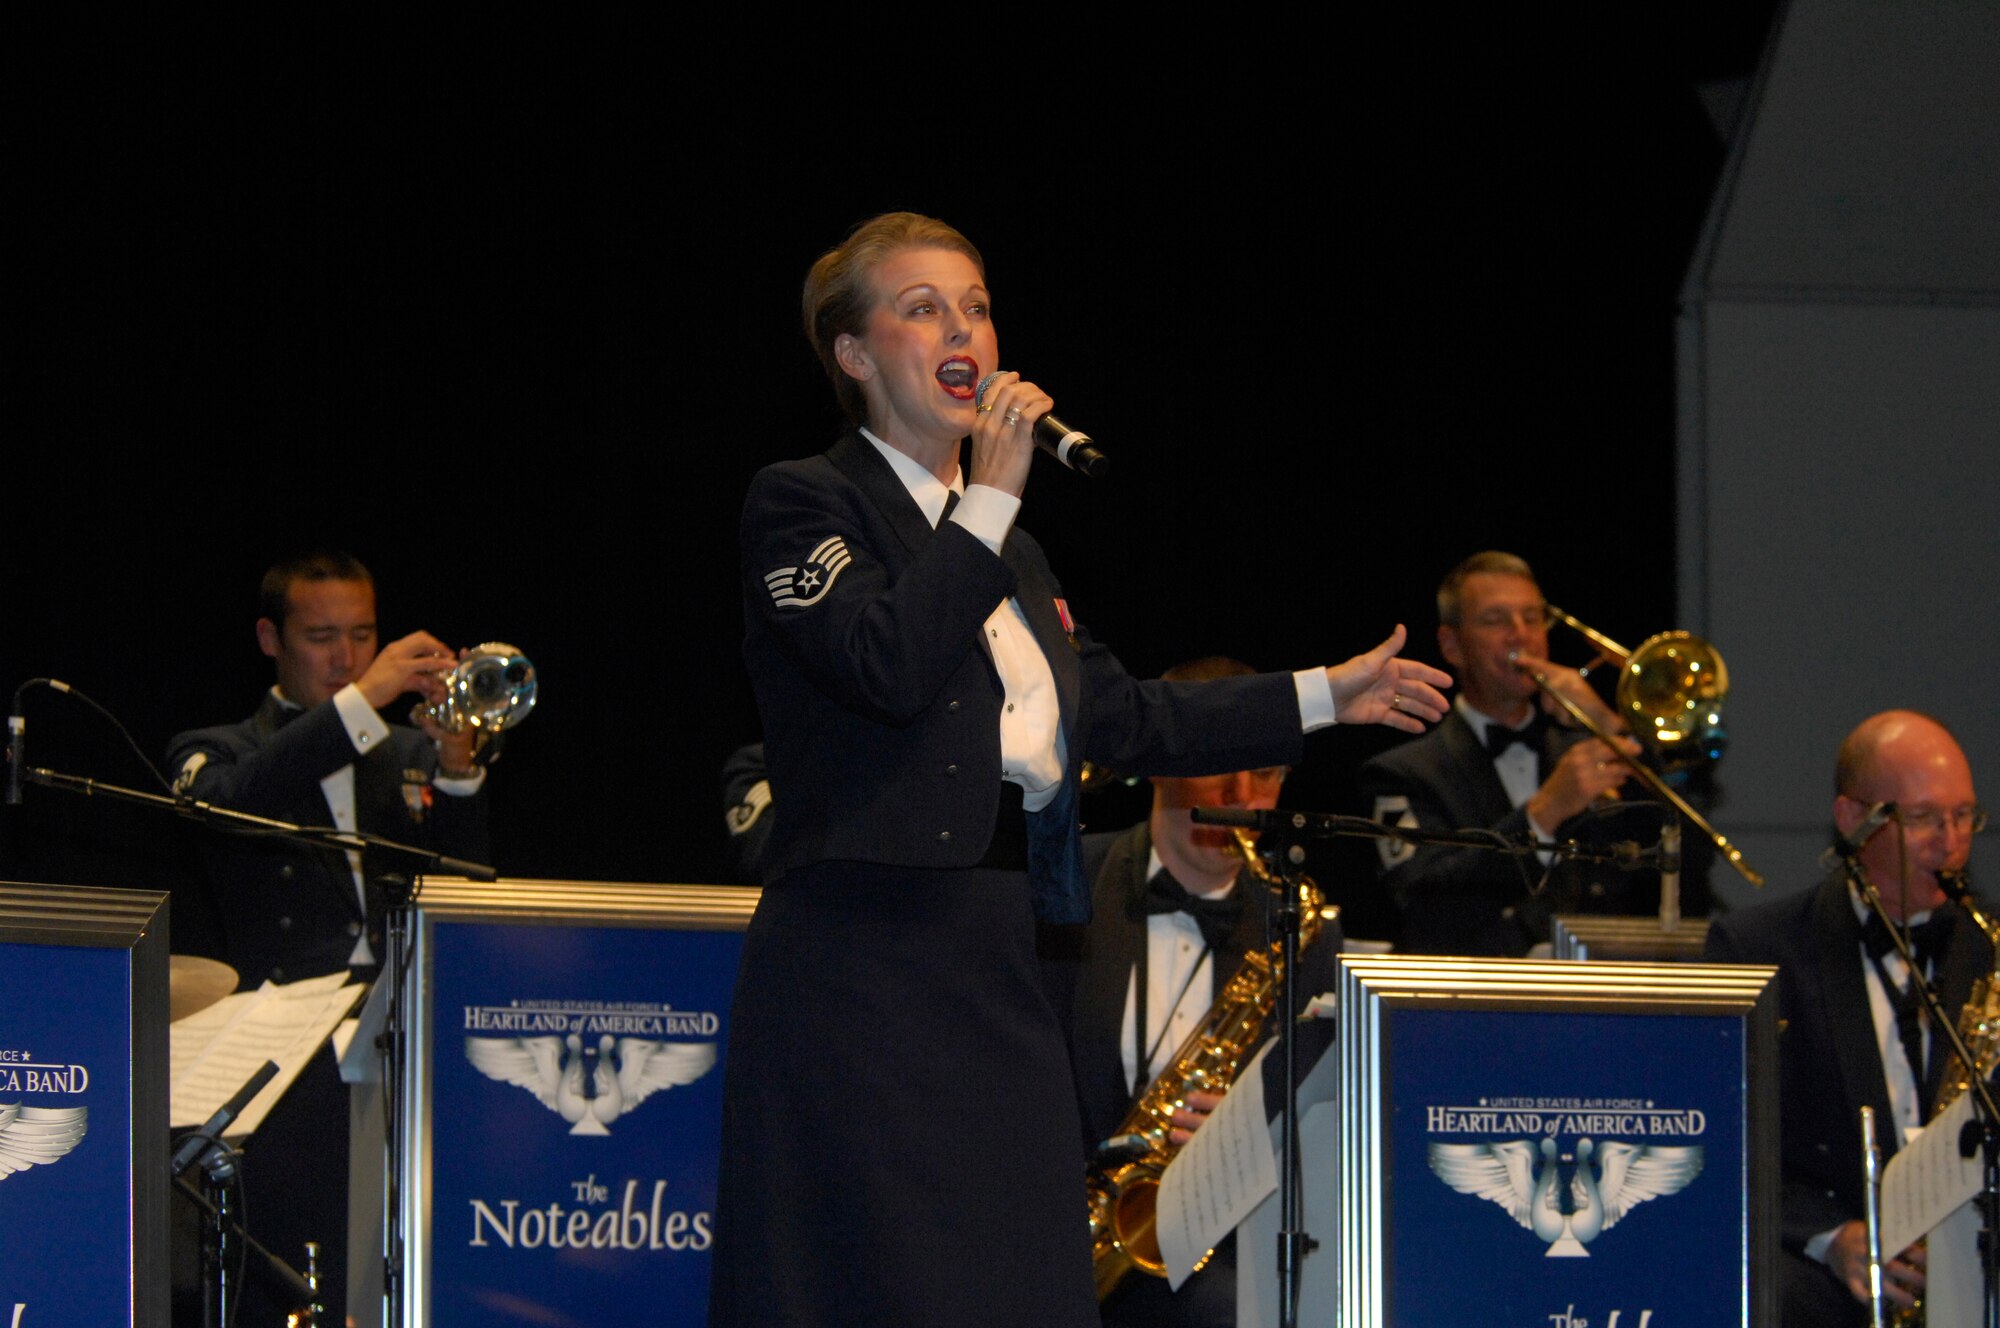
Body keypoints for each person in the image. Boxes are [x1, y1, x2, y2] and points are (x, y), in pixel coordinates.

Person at [710, 211, 1451, 1327]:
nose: (961, 329)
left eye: (975, 306)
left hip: (1005, 952)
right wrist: (993, 497)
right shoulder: (805, 499)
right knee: (880, 1285)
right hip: (865, 956)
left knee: (1026, 1280)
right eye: (922, 308)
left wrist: (1322, 695)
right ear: (853, 353)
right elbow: (885, 664)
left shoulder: (1010, 548)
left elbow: (1122, 714)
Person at [166, 549, 492, 1325]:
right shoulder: (217, 748)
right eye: (321, 637)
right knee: (289, 1273)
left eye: (362, 635)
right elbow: (237, 804)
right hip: (284, 1059)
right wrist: (365, 700)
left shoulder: (404, 752)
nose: (346, 658)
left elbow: (468, 888)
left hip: (404, 1042)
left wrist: (456, 765)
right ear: (270, 640)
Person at [1043, 656, 1341, 1328]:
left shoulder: (1305, 929)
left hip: (1216, 1253)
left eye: (1265, 773)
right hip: (1051, 1232)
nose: (1242, 797)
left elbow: (1328, 1125)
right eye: (1218, 766)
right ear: (1159, 763)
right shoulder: (1065, 881)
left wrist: (1251, 1136)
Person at [1705, 710, 1988, 1325]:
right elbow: (1726, 1143)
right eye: (1923, 818)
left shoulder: (1987, 951)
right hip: (1831, 1277)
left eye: (1964, 815)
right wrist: (1833, 1238)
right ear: (1853, 819)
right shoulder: (1759, 951)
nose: (1951, 842)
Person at [1357, 550, 1707, 955]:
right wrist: (1542, 814)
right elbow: (1421, 903)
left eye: (1532, 617)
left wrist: (1607, 721)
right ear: (1452, 646)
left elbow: (1690, 862)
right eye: (1496, 620)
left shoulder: (1588, 750)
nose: (1520, 634)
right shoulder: (1403, 772)